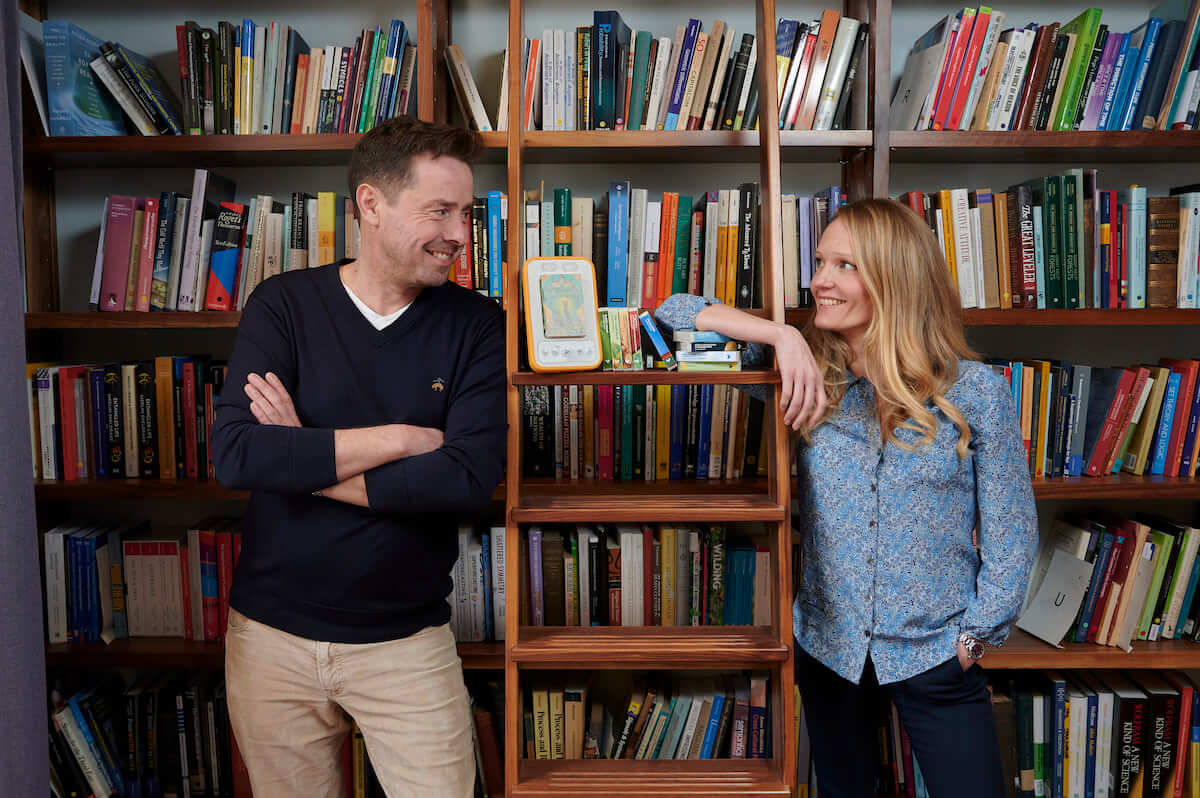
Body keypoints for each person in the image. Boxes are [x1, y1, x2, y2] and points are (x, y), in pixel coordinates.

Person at [653, 198, 1037, 798]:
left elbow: (1013, 536)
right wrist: (781, 335)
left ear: (893, 279)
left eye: (844, 266)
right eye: (819, 261)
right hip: (830, 652)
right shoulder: (809, 378)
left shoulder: (977, 393)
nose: (820, 280)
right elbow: (671, 313)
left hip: (936, 655)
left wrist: (972, 641)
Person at [210, 117, 505, 798]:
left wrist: (303, 459)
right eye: (441, 211)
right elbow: (237, 455)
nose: (460, 233)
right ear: (371, 203)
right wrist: (401, 438)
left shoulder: (476, 324)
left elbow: (466, 478)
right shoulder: (282, 305)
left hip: (407, 643)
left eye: (465, 212)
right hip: (271, 643)